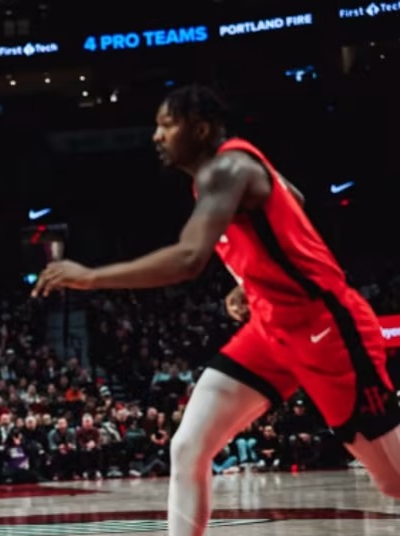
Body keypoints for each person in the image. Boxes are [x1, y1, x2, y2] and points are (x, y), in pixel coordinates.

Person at [32, 84, 400, 536]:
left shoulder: (227, 168)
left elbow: (189, 259)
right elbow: (294, 198)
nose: (156, 135)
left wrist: (89, 277)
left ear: (201, 129)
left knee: (392, 481)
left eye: (167, 125)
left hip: (327, 329)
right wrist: (251, 282)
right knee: (188, 445)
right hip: (271, 329)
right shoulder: (226, 173)